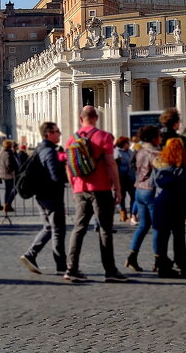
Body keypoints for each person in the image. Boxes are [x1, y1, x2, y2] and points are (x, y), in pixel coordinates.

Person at [64, 105, 127, 283]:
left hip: (80, 189)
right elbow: (111, 164)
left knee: (79, 229)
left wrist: (74, 186)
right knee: (105, 230)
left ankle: (71, 268)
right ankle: (110, 271)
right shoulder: (103, 136)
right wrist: (118, 188)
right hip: (101, 189)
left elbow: (68, 167)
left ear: (80, 119)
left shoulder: (71, 139)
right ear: (96, 118)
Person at [20, 121, 67, 277]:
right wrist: (65, 174)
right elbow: (55, 176)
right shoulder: (49, 151)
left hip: (42, 195)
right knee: (58, 230)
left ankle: (30, 254)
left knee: (48, 228)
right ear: (49, 134)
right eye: (57, 131)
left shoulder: (40, 149)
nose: (60, 133)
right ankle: (61, 266)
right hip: (51, 195)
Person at [152, 138, 186, 278]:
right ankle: (181, 260)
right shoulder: (182, 166)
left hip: (161, 201)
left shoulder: (158, 163)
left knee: (162, 234)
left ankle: (162, 264)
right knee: (179, 234)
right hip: (177, 202)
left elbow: (153, 182)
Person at [126, 125, 160, 273]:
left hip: (139, 189)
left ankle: (132, 256)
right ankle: (158, 259)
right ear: (154, 138)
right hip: (150, 191)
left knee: (143, 226)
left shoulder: (139, 151)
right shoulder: (153, 153)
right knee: (157, 226)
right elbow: (162, 170)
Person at [114, 136, 136, 222]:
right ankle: (123, 213)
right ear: (123, 144)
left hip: (131, 177)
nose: (129, 144)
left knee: (133, 196)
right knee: (122, 196)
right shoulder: (116, 152)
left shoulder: (130, 152)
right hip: (121, 177)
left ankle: (132, 214)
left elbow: (134, 161)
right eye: (128, 143)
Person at [0, 139, 19, 212]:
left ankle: (6, 204)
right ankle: (8, 203)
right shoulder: (8, 153)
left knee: (8, 190)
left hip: (4, 173)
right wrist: (13, 171)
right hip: (9, 174)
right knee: (15, 189)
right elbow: (8, 164)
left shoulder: (2, 152)